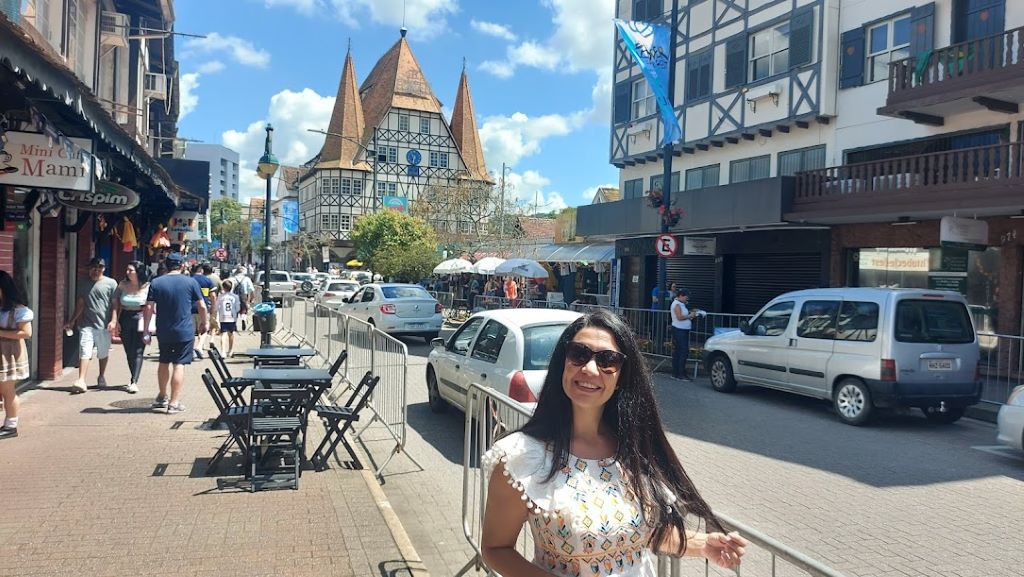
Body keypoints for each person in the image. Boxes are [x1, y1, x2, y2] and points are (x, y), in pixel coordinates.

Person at [480, 309, 746, 576]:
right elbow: (496, 548)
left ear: (621, 377)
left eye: (608, 359)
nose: (590, 369)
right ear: (564, 362)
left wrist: (704, 545)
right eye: (579, 354)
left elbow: (640, 533)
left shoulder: (634, 449)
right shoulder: (522, 457)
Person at [143, 253, 207, 414]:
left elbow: (149, 307)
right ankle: (174, 402)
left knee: (164, 361)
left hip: (163, 330)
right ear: (181, 265)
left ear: (166, 264)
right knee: (179, 364)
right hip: (184, 331)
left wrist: (146, 330)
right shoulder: (191, 282)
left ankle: (162, 396)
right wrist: (204, 323)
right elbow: (202, 306)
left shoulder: (156, 282)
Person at [65, 257, 118, 394]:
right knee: (85, 351)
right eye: (94, 267)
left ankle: (101, 376)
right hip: (87, 324)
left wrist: (113, 320)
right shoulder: (83, 283)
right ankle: (81, 380)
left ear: (104, 269)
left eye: (99, 267)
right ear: (89, 269)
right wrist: (72, 320)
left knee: (103, 353)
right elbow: (81, 303)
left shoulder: (111, 283)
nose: (96, 270)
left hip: (104, 325)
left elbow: (115, 305)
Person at [107, 261, 150, 394]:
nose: (128, 272)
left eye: (131, 270)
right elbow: (115, 304)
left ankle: (134, 380)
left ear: (138, 272)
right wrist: (115, 321)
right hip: (125, 317)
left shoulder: (147, 286)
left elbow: (150, 306)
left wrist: (148, 329)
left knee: (138, 350)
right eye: (127, 270)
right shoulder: (122, 285)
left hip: (141, 318)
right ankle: (133, 376)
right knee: (129, 350)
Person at [0, 271, 33, 439]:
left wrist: (2, 333)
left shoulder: (19, 310)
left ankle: (11, 426)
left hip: (9, 354)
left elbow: (26, 333)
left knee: (7, 390)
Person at [670, 288, 699, 381]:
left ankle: (676, 373)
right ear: (681, 296)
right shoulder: (677, 304)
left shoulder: (681, 304)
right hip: (679, 330)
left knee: (679, 351)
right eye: (686, 297)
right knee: (683, 351)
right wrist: (690, 316)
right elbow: (679, 317)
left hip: (682, 330)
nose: (687, 298)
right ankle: (680, 374)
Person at [190, 263, 216, 359]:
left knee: (191, 331)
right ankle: (200, 346)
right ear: (201, 270)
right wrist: (213, 307)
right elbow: (213, 296)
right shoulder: (207, 281)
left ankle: (191, 350)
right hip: (203, 308)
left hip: (190, 308)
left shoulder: (190, 280)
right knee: (205, 327)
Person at [216, 278, 240, 357]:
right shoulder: (235, 297)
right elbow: (237, 308)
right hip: (232, 317)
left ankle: (222, 351)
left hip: (223, 317)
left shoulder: (220, 297)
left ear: (223, 287)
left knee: (223, 334)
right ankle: (230, 350)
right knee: (231, 334)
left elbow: (217, 307)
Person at [231, 266, 255, 333]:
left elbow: (230, 288)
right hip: (244, 296)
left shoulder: (232, 279)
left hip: (234, 296)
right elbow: (252, 289)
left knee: (234, 311)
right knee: (244, 310)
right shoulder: (246, 279)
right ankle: (243, 319)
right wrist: (252, 298)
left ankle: (234, 325)